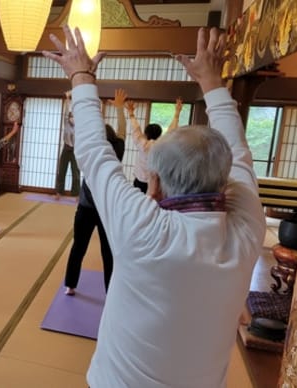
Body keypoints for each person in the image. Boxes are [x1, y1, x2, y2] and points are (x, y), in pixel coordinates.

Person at [43, 26, 265, 388]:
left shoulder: (142, 227)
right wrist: (212, 81)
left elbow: (94, 155)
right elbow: (239, 155)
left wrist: (81, 77)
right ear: (226, 183)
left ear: (156, 183)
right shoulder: (247, 229)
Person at [64, 89, 127, 295]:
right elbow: (123, 131)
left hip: (86, 208)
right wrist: (119, 109)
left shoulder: (90, 152)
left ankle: (70, 286)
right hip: (107, 209)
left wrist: (72, 103)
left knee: (78, 248)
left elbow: (80, 129)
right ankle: (110, 291)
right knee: (108, 251)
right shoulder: (117, 149)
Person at [128, 96, 183, 193]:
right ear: (160, 134)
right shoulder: (163, 144)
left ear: (146, 134)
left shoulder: (142, 144)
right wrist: (177, 113)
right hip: (156, 182)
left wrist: (131, 114)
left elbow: (136, 129)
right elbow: (172, 130)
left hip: (140, 181)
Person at [54, 91, 80, 199]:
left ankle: (76, 194)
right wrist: (68, 98)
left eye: (74, 117)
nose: (72, 119)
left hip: (76, 150)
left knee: (76, 172)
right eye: (70, 117)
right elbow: (67, 111)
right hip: (66, 148)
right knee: (62, 170)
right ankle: (59, 192)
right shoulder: (66, 122)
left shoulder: (80, 126)